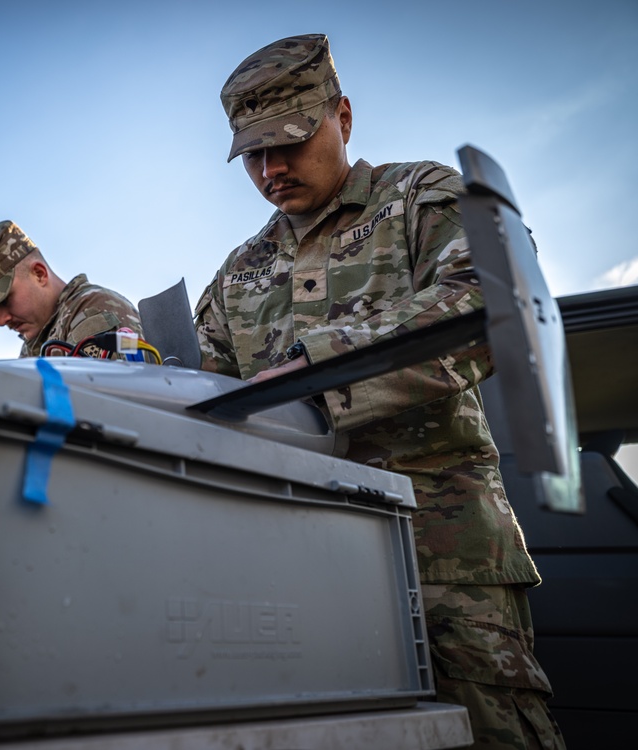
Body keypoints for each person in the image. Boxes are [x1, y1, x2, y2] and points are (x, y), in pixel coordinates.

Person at [195, 34, 564, 750]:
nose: (272, 169)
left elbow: (494, 301)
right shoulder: (237, 273)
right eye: (253, 154)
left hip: (443, 555)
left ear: (343, 117)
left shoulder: (421, 197)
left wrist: (316, 368)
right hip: (299, 566)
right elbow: (206, 400)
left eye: (290, 143)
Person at [0, 219, 143, 358]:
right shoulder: (34, 345)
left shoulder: (94, 310)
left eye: (5, 300)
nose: (1, 320)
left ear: (39, 274)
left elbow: (100, 393)